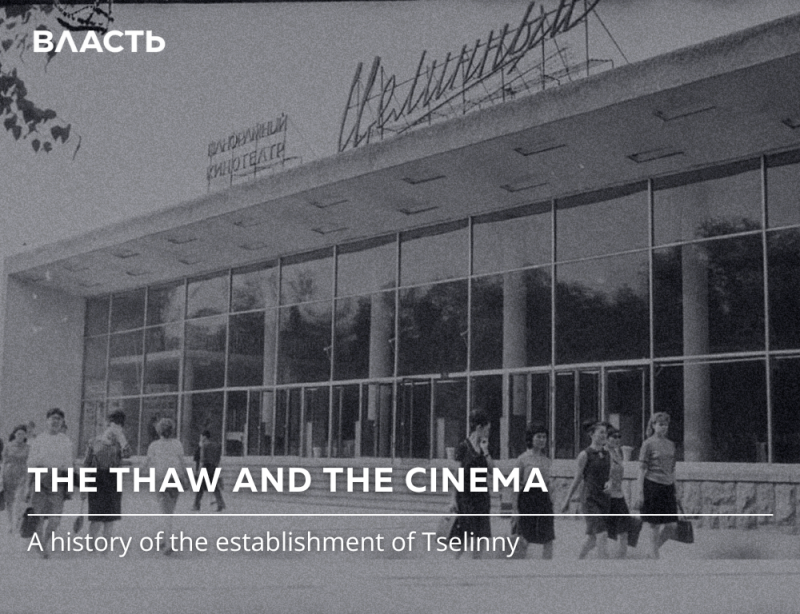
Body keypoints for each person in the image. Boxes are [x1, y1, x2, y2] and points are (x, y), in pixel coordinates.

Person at [25, 408, 74, 559]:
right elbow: (30, 463)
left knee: (55, 519)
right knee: (38, 515)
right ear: (47, 421)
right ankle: (41, 547)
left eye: (59, 419)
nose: (55, 421)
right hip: (40, 477)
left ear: (62, 423)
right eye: (53, 418)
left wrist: (70, 486)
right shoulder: (39, 440)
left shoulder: (66, 441)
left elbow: (69, 465)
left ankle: (44, 542)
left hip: (58, 479)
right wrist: (28, 486)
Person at [561, 421, 610, 559]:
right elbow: (577, 478)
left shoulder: (607, 454)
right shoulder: (585, 454)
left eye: (605, 433)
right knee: (602, 534)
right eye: (601, 432)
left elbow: (610, 475)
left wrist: (610, 483)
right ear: (591, 434)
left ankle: (576, 561)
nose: (604, 435)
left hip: (604, 499)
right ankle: (605, 569)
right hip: (590, 500)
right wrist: (567, 499)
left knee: (592, 539)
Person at [83, 410, 130, 547]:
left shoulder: (120, 444)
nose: (115, 428)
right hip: (96, 478)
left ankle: (105, 549)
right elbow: (87, 463)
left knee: (110, 519)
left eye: (119, 426)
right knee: (96, 517)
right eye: (113, 424)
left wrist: (121, 438)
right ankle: (91, 545)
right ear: (107, 424)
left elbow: (127, 454)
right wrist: (85, 485)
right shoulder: (94, 442)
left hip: (113, 479)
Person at [634, 412, 678, 559]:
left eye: (665, 424)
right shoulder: (648, 444)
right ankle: (654, 556)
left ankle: (651, 550)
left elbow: (672, 469)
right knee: (654, 525)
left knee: (672, 525)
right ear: (653, 425)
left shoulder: (671, 445)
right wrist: (640, 492)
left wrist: (675, 490)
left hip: (668, 486)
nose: (663, 427)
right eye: (660, 424)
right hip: (652, 485)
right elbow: (641, 469)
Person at [450, 409, 493, 559]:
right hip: (466, 496)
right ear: (479, 428)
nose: (488, 433)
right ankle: (454, 562)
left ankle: (476, 563)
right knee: (466, 533)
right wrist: (453, 499)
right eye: (487, 429)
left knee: (480, 535)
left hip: (481, 495)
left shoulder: (484, 447)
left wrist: (486, 451)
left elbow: (492, 470)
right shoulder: (463, 447)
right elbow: (456, 474)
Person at [511, 423, 554, 559]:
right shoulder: (523, 459)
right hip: (527, 499)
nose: (542, 440)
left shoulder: (547, 460)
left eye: (544, 437)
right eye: (538, 437)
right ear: (531, 438)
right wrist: (515, 508)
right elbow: (515, 485)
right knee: (524, 537)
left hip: (543, 499)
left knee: (548, 537)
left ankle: (547, 570)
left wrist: (551, 500)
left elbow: (548, 484)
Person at [143, 418, 185, 555]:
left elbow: (147, 462)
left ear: (159, 431)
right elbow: (182, 462)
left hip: (160, 479)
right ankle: (165, 538)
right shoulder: (178, 444)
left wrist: (139, 471)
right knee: (169, 511)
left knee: (165, 511)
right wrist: (186, 477)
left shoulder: (154, 445)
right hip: (175, 479)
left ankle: (168, 542)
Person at [604, 426, 633, 558]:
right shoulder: (603, 453)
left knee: (624, 530)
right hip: (607, 496)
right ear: (606, 438)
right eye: (613, 437)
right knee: (602, 532)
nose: (616, 439)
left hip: (619, 495)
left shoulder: (617, 453)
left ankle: (621, 558)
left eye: (618, 437)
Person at [2, 425, 30, 532]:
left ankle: (17, 519)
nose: (20, 436)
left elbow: (30, 463)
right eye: (18, 434)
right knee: (9, 501)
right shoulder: (8, 446)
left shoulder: (28, 448)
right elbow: (4, 462)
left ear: (25, 435)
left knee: (19, 500)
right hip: (8, 475)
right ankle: (10, 523)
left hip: (22, 476)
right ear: (14, 434)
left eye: (23, 434)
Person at [192, 430, 225, 512]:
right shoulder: (216, 445)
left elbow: (202, 458)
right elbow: (218, 457)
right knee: (214, 486)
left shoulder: (204, 445)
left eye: (201, 436)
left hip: (206, 467)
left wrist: (199, 469)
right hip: (213, 466)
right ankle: (220, 503)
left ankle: (196, 505)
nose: (201, 438)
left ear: (204, 437)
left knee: (200, 487)